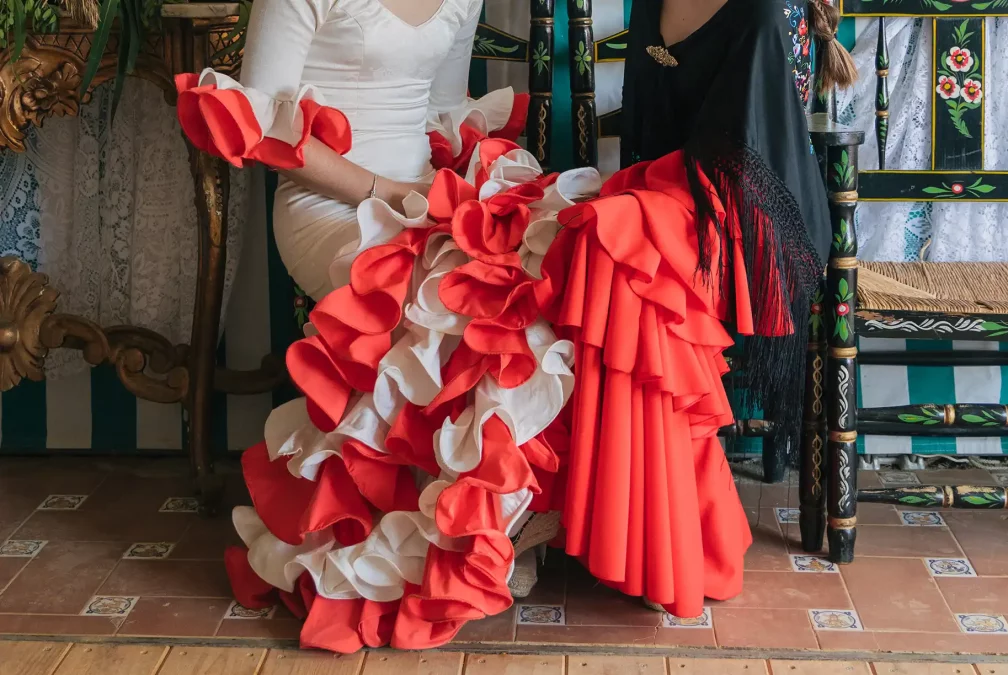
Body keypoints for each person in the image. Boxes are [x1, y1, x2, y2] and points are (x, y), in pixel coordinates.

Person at [175, 0, 852, 653]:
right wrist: (397, 200)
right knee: (475, 304)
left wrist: (470, 204)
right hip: (331, 205)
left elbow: (444, 112)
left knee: (568, 281)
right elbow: (262, 135)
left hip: (425, 196)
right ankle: (472, 529)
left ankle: (520, 519)